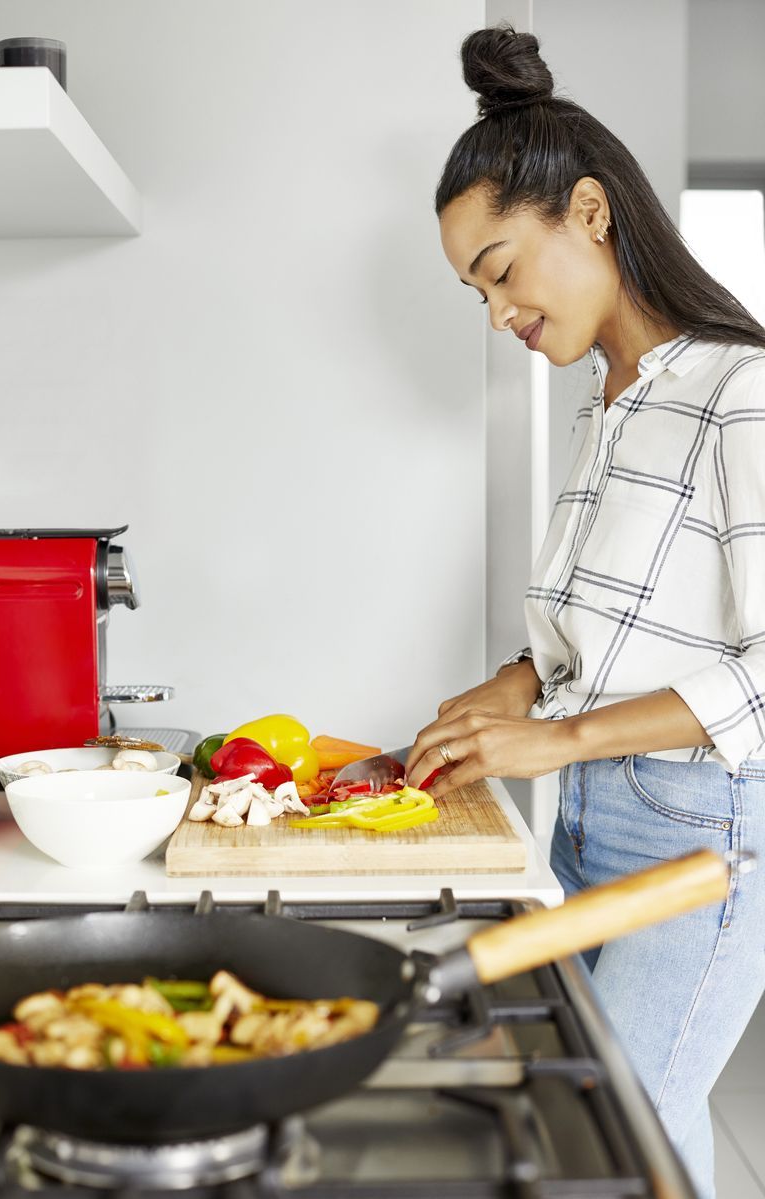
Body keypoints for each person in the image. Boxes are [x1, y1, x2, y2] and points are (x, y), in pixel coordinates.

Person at [404, 25, 765, 1199]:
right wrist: (519, 680)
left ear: (593, 214)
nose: (495, 310)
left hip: (703, 834)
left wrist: (553, 735)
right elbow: (613, 628)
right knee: (619, 1117)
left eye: (501, 268)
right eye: (473, 289)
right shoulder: (605, 409)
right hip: (592, 817)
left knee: (621, 1126)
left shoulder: (741, 393)